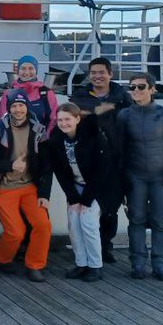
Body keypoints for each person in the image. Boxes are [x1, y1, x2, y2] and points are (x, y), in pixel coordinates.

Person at [118, 73, 163, 282]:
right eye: (132, 87)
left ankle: (160, 264)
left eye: (141, 87)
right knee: (136, 220)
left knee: (160, 221)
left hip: (161, 177)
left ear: (152, 89)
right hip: (134, 176)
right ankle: (137, 263)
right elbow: (120, 149)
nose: (136, 91)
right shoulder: (125, 115)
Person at [69, 56, 132, 264]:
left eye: (101, 72)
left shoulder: (122, 96)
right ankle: (88, 249)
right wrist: (98, 111)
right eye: (93, 72)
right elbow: (77, 114)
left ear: (110, 74)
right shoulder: (80, 95)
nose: (97, 76)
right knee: (86, 207)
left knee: (110, 209)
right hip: (89, 163)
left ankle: (105, 246)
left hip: (115, 161)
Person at [0, 90, 53, 282]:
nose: (18, 109)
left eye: (21, 105)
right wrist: (10, 165)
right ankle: (2, 259)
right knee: (16, 231)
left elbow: (46, 166)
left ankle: (35, 265)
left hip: (29, 186)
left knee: (43, 225)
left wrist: (45, 194)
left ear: (27, 107)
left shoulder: (38, 130)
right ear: (8, 108)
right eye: (14, 106)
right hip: (4, 187)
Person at [47, 103, 107, 282]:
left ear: (77, 119)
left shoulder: (93, 137)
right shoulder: (57, 139)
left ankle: (95, 266)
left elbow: (102, 169)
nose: (64, 123)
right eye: (60, 120)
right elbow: (60, 171)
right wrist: (73, 198)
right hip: (75, 186)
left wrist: (86, 199)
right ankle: (81, 263)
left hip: (96, 187)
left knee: (88, 223)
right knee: (74, 224)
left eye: (67, 119)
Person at [0, 55, 59, 129]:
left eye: (31, 68)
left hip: (42, 139)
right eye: (23, 68)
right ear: (18, 71)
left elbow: (54, 119)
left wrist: (46, 137)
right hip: (16, 139)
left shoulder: (46, 93)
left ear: (36, 71)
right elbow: (3, 120)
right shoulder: (9, 94)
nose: (27, 72)